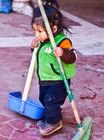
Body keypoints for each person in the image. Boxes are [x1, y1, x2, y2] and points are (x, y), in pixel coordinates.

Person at [31, 3, 77, 136]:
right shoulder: (42, 41)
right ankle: (52, 115)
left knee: (51, 101)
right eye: (35, 31)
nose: (36, 34)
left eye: (39, 31)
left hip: (58, 81)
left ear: (54, 28)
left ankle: (54, 122)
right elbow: (40, 53)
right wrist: (33, 46)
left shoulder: (62, 42)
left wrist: (63, 53)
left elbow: (73, 57)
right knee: (44, 99)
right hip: (45, 78)